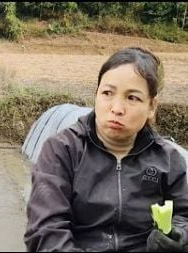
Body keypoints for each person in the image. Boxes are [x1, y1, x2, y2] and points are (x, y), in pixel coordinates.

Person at [24, 47, 188, 252]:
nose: (117, 108)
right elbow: (46, 231)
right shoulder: (62, 150)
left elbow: (184, 215)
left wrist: (179, 236)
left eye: (132, 98)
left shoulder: (168, 159)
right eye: (107, 93)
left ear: (152, 106)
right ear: (96, 95)